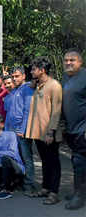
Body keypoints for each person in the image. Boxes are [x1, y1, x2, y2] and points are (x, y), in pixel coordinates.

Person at [26, 56, 62, 205]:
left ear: (42, 70)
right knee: (45, 162)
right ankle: (46, 188)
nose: (31, 72)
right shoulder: (39, 85)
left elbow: (56, 111)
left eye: (34, 69)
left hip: (49, 133)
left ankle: (54, 193)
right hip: (38, 132)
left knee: (53, 162)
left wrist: (51, 132)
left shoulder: (54, 86)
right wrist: (34, 83)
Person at [4, 67, 35, 195]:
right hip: (11, 131)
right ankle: (19, 181)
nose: (14, 79)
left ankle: (29, 185)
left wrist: (23, 129)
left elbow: (28, 111)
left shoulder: (27, 89)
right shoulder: (12, 92)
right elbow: (9, 113)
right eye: (13, 76)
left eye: (17, 76)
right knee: (15, 156)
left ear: (23, 76)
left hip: (21, 130)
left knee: (26, 157)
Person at [61, 49, 86, 210]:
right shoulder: (65, 78)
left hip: (83, 129)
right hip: (71, 130)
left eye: (72, 60)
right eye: (66, 60)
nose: (68, 63)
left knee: (79, 162)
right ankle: (80, 191)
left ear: (80, 62)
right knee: (77, 161)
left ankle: (79, 196)